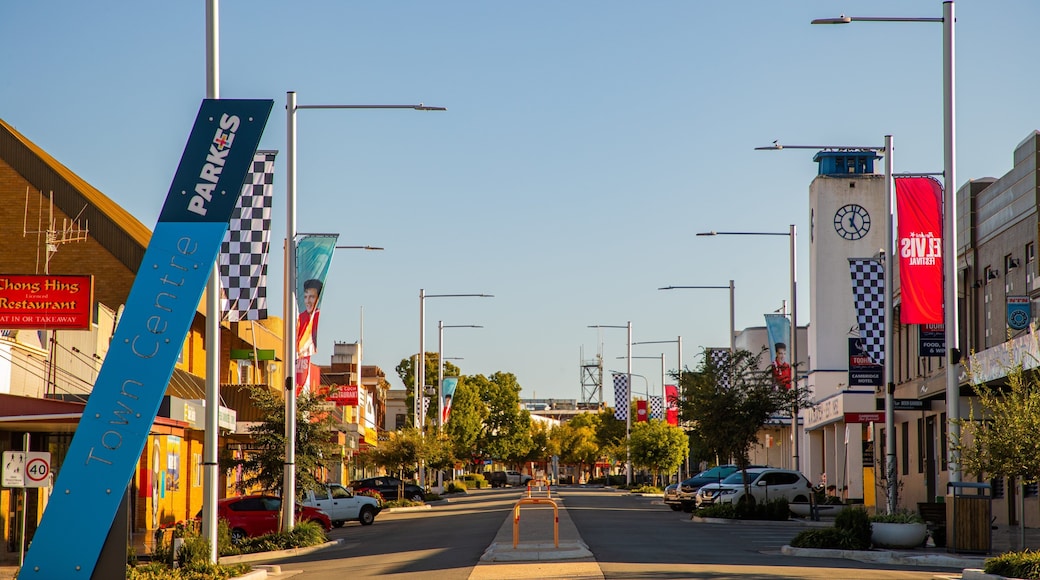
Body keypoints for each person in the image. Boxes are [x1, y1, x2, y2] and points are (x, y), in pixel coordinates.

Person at [297, 278, 322, 358]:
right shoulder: (300, 318)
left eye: (311, 297)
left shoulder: (319, 317)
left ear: (318, 299)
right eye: (305, 297)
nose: (307, 301)